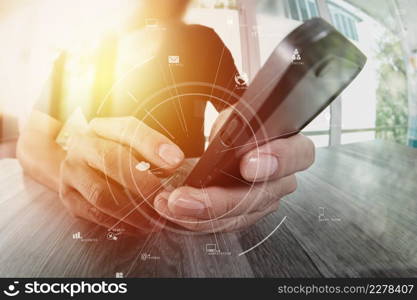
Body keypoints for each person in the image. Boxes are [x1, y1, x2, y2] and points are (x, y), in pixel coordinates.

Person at [16, 0, 315, 234]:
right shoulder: (79, 53)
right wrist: (78, 182)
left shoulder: (202, 41)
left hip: (196, 203)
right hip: (107, 224)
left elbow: (242, 118)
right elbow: (32, 143)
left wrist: (258, 157)